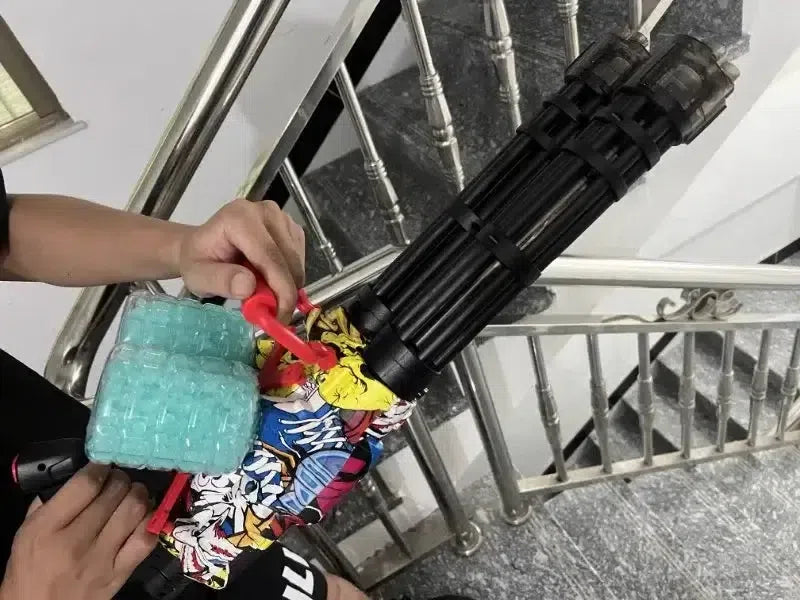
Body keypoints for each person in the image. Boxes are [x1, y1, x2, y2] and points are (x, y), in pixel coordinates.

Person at [0, 169, 374, 600]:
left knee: (317, 592)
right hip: (98, 575)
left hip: (153, 477)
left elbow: (4, 235)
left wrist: (182, 247)